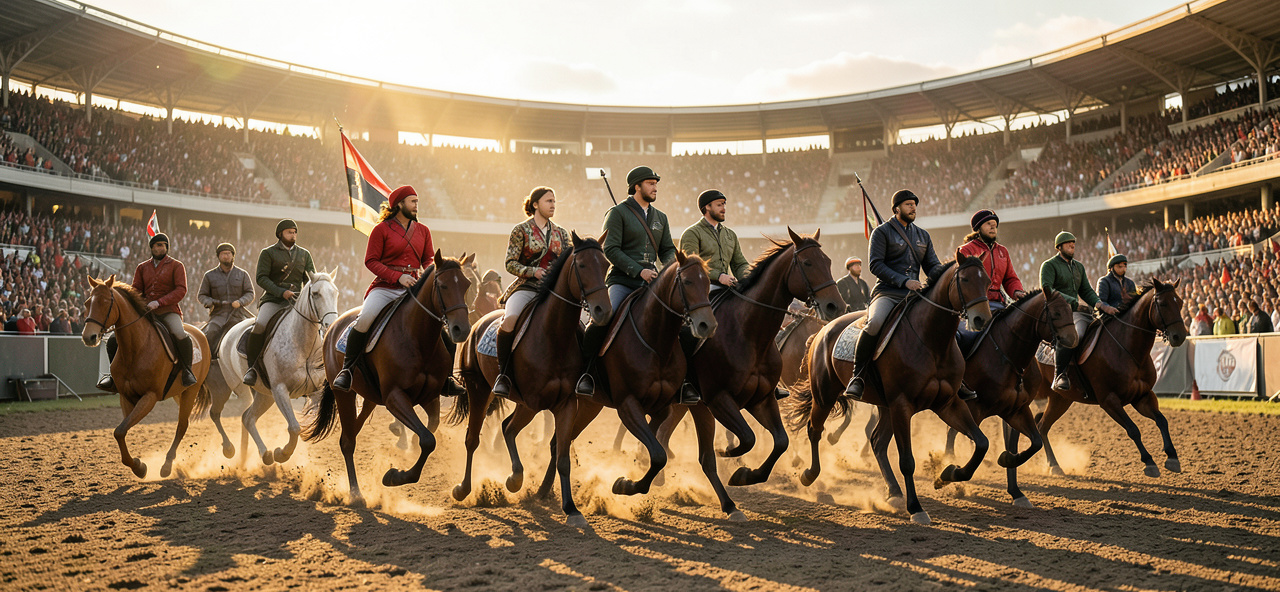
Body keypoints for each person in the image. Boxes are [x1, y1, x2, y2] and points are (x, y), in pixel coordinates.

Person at [332, 186, 466, 396]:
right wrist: (397, 277)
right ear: (399, 205)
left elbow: (429, 260)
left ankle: (447, 378)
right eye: (412, 201)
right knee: (365, 318)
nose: (416, 206)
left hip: (413, 288)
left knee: (440, 329)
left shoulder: (423, 231)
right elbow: (371, 261)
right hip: (385, 288)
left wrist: (426, 276)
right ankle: (347, 370)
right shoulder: (381, 229)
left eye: (417, 202)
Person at [579, 165, 679, 399]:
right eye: (650, 183)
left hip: (652, 283)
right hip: (622, 281)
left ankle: (683, 382)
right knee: (603, 319)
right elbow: (611, 249)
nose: (655, 187)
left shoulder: (660, 217)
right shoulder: (618, 213)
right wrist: (638, 271)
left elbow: (666, 250)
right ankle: (586, 374)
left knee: (678, 321)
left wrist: (673, 269)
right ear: (637, 186)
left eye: (656, 184)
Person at [680, 189, 788, 400]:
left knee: (756, 321)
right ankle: (685, 381)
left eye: (724, 204)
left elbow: (739, 264)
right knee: (687, 331)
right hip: (702, 289)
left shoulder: (730, 235)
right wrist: (718, 276)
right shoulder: (691, 233)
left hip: (728, 287)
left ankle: (768, 379)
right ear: (706, 208)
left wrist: (753, 282)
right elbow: (688, 265)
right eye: (719, 204)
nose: (723, 208)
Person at [845, 189, 947, 401]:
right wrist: (903, 281)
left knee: (943, 324)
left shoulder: (923, 235)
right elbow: (875, 265)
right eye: (909, 204)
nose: (913, 208)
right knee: (874, 323)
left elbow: (932, 267)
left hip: (915, 294)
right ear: (897, 208)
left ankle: (951, 376)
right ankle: (858, 376)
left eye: (914, 205)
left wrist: (951, 271)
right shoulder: (881, 232)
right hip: (888, 292)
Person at [492, 186, 570, 397]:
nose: (553, 205)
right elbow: (510, 263)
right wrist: (532, 272)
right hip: (526, 287)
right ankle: (504, 374)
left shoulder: (562, 234)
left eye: (554, 201)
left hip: (554, 292)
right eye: (548, 201)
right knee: (510, 320)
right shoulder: (520, 230)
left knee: (580, 322)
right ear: (535, 204)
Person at [98, 233, 197, 391]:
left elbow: (181, 290)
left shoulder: (176, 265)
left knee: (180, 333)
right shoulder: (142, 267)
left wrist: (159, 302)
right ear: (151, 248)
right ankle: (114, 377)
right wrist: (139, 304)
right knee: (113, 340)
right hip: (145, 313)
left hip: (168, 311)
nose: (160, 248)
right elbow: (135, 290)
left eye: (163, 245)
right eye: (157, 245)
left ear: (167, 248)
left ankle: (187, 371)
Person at [1040, 231, 1118, 393]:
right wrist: (1074, 302)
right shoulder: (1049, 265)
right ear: (1059, 247)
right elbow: (1048, 289)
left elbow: (1087, 291)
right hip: (1058, 313)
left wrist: (1101, 305)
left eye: (1073, 243)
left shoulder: (1079, 267)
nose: (1072, 245)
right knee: (1077, 335)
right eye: (1068, 243)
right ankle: (1059, 375)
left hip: (1077, 311)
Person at [243, 219, 315, 386]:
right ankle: (252, 368)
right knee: (260, 325)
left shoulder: (305, 254)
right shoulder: (268, 253)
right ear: (280, 234)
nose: (293, 235)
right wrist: (281, 292)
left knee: (314, 327)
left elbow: (311, 279)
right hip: (273, 300)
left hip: (296, 302)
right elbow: (261, 278)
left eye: (295, 232)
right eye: (289, 232)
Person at [959, 209, 1026, 311]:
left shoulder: (1003, 251)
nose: (993, 227)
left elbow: (1010, 278)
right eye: (988, 224)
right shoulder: (966, 250)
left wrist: (1017, 291)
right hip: (976, 305)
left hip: (999, 303)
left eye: (995, 225)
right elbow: (965, 283)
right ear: (978, 228)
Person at [197, 242, 255, 353]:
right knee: (210, 333)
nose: (226, 256)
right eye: (223, 254)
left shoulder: (242, 274)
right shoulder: (209, 275)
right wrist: (211, 302)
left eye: (228, 253)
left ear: (233, 255)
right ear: (218, 256)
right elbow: (202, 295)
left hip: (238, 315)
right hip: (218, 315)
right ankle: (208, 361)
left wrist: (240, 301)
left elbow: (250, 293)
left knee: (250, 335)